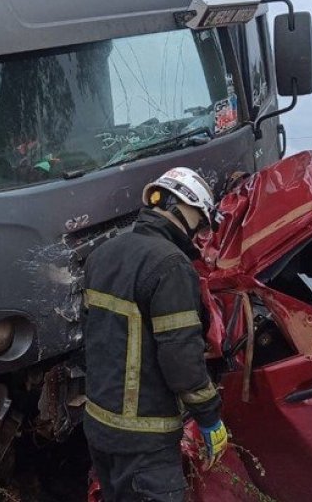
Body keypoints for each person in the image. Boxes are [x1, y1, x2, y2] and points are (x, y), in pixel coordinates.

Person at [82, 166, 228, 502]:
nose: (199, 234)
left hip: (100, 429)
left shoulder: (101, 255)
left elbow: (94, 340)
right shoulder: (170, 265)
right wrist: (209, 416)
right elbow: (181, 359)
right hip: (145, 442)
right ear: (185, 208)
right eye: (201, 223)